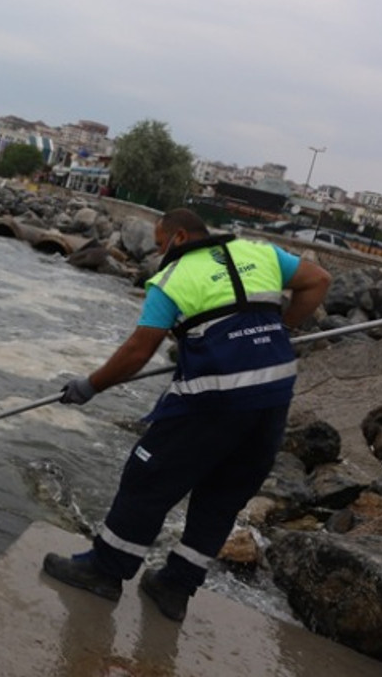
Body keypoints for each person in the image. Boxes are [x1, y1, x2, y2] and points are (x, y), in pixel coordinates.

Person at [43, 208, 331, 621]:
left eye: (160, 244)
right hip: (272, 392)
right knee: (221, 497)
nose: (159, 253)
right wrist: (278, 328)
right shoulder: (260, 253)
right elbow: (319, 280)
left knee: (148, 478)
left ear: (177, 238)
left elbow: (138, 352)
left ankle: (104, 572)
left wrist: (89, 386)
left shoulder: (172, 279)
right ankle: (174, 588)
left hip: (214, 397)